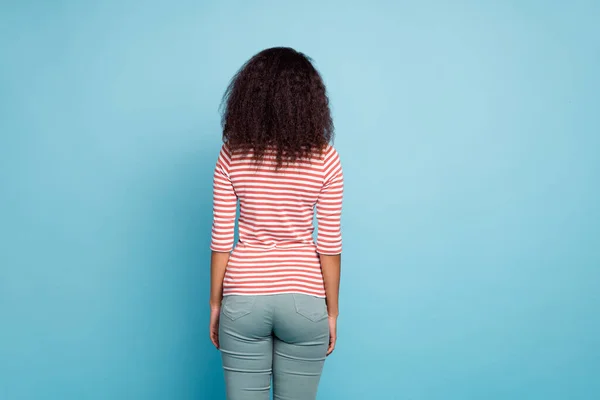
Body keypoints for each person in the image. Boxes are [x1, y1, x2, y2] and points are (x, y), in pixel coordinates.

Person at [208, 47, 343, 400]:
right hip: (305, 299)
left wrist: (215, 306)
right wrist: (332, 312)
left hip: (243, 297)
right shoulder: (325, 157)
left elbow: (222, 239)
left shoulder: (231, 153)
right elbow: (329, 245)